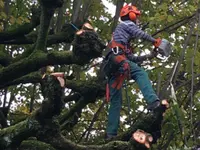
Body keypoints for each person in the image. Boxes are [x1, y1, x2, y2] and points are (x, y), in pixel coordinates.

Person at [104, 4, 165, 139]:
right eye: (136, 17)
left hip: (113, 65)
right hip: (116, 60)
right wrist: (155, 41)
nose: (137, 20)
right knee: (140, 73)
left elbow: (132, 58)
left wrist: (150, 55)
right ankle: (153, 102)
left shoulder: (123, 42)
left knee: (116, 102)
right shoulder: (125, 24)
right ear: (131, 15)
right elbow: (139, 33)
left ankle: (110, 134)